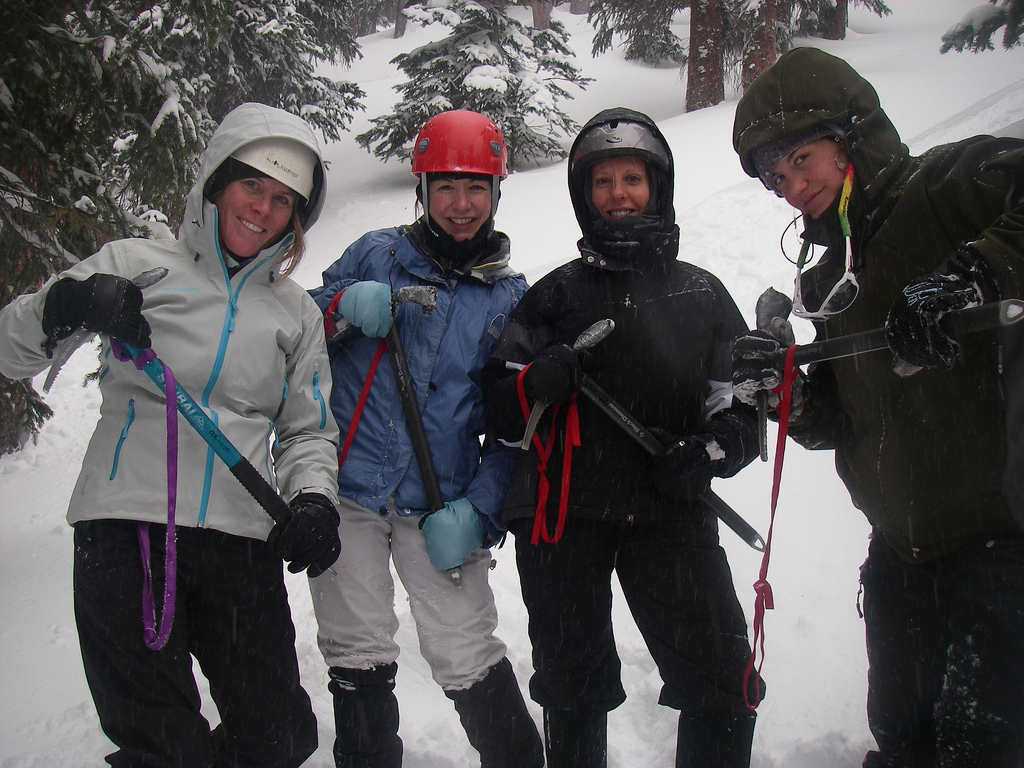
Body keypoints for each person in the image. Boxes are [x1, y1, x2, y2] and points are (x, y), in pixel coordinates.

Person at [0, 102, 343, 767]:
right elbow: (10, 350)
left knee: (282, 735)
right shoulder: (136, 262)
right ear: (217, 181)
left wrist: (313, 500)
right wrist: (68, 303)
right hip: (128, 527)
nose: (262, 209)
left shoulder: (294, 312)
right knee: (162, 742)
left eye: (282, 200)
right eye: (252, 186)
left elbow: (307, 431)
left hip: (241, 542)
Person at [731, 46, 1024, 767]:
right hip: (899, 553)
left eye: (802, 158)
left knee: (982, 746)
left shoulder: (948, 186)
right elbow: (835, 421)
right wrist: (782, 390)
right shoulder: (835, 275)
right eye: (776, 176)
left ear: (853, 133)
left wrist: (971, 272)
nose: (791, 186)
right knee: (901, 736)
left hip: (1001, 543)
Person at [481, 107, 762, 768]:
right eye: (602, 182)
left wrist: (712, 450)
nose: (618, 194)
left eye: (632, 178)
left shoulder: (701, 293)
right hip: (562, 518)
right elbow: (499, 403)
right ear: (584, 195)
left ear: (655, 186)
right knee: (573, 688)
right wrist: (536, 384)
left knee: (723, 678)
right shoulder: (554, 296)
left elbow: (743, 401)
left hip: (671, 512)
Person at [307, 109, 544, 768]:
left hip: (438, 502)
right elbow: (295, 328)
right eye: (445, 187)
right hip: (349, 491)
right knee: (356, 649)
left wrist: (482, 512)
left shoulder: (510, 300)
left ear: (497, 193)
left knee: (466, 648)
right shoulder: (374, 255)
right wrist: (339, 308)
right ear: (421, 188)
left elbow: (512, 428)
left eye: (476, 188)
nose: (461, 204)